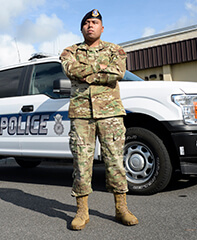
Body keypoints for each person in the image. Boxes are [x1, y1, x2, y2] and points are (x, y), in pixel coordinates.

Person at [60, 9, 138, 230]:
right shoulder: (69, 51)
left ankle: (121, 208)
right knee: (81, 164)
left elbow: (118, 72)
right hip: (81, 115)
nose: (90, 25)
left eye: (94, 22)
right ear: (81, 28)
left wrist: (86, 72)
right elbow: (70, 70)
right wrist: (101, 68)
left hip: (110, 113)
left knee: (115, 161)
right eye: (86, 22)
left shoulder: (115, 49)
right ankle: (82, 211)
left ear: (102, 27)